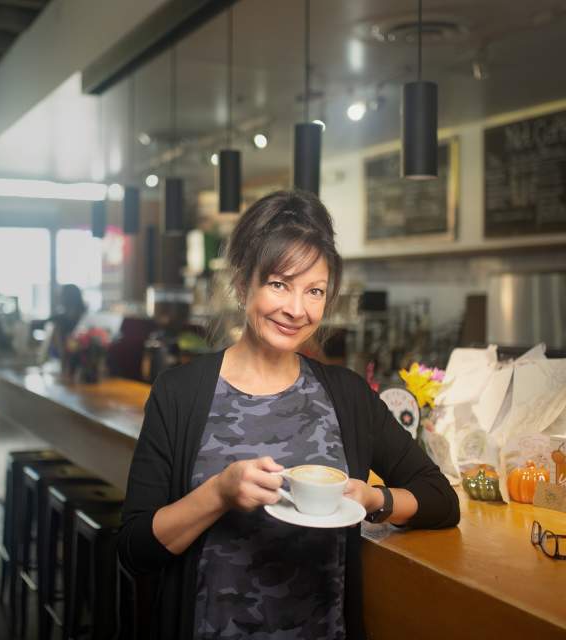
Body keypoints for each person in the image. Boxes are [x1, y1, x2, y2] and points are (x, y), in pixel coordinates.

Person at [118, 190, 460, 639]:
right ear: (243, 285)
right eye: (279, 284)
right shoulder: (179, 394)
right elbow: (135, 549)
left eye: (314, 291)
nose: (296, 310)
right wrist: (220, 493)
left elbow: (440, 498)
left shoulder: (348, 395)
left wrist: (373, 499)